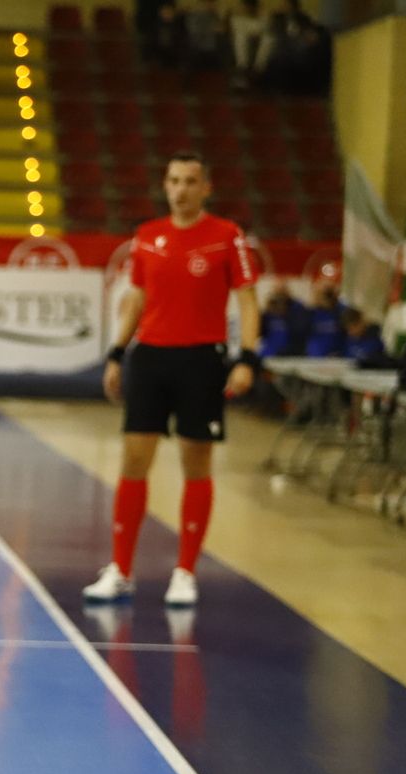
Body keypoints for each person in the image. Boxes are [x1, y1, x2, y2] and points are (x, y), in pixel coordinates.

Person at [85, 151, 259, 608]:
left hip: (201, 360)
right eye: (173, 181)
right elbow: (136, 299)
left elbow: (247, 301)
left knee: (195, 462)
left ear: (206, 188)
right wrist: (117, 354)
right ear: (165, 186)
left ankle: (185, 572)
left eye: (190, 182)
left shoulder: (227, 237)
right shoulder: (147, 237)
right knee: (133, 460)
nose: (180, 190)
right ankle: (121, 569)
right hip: (150, 359)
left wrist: (248, 360)